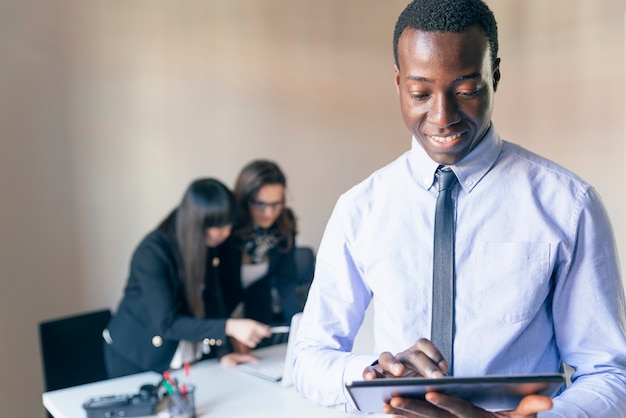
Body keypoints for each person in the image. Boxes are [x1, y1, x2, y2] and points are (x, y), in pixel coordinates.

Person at [292, 1, 626, 417]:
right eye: (419, 93)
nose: (442, 116)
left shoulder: (569, 205)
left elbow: (609, 373)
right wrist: (375, 373)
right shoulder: (360, 208)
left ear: (495, 76)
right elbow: (308, 357)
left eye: (466, 91)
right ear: (398, 83)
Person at [103, 178, 272, 378]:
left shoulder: (208, 244)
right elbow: (168, 322)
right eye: (219, 228)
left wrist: (224, 353)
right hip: (136, 355)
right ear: (197, 224)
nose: (226, 234)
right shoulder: (152, 252)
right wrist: (231, 326)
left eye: (229, 226)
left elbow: (212, 298)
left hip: (180, 353)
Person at [223, 160, 303, 348]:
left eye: (276, 204)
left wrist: (299, 328)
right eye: (260, 204)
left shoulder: (285, 225)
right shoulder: (227, 227)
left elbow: (286, 282)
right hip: (222, 319)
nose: (269, 213)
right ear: (245, 199)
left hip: (258, 315)